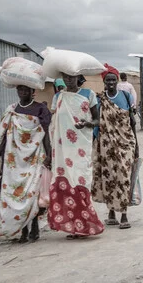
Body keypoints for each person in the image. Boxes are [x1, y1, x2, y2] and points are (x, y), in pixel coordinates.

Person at [0, 84, 52, 243]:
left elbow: (45, 134)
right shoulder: (12, 110)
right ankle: (23, 229)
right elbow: (5, 137)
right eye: (20, 90)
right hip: (13, 160)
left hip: (35, 156)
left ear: (33, 92)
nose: (22, 92)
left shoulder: (40, 109)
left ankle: (35, 226)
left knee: (33, 193)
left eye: (26, 90)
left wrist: (49, 154)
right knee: (16, 195)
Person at [48, 71, 105, 238]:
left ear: (78, 78)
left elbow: (97, 120)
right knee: (65, 184)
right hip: (62, 148)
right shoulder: (59, 97)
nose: (68, 80)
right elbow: (55, 122)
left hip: (81, 147)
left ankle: (86, 224)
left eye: (72, 77)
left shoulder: (89, 94)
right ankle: (72, 226)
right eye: (65, 77)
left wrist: (87, 123)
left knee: (81, 182)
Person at [93, 64, 139, 229]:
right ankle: (111, 212)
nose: (111, 82)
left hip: (125, 144)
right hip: (106, 146)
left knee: (124, 177)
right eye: (108, 80)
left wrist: (137, 146)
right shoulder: (99, 99)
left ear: (117, 80)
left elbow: (132, 123)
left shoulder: (126, 96)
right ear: (104, 82)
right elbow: (97, 123)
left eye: (113, 79)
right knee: (109, 178)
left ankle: (124, 214)